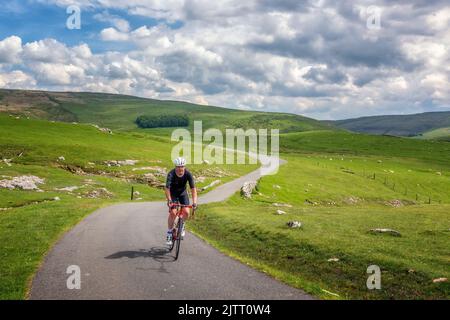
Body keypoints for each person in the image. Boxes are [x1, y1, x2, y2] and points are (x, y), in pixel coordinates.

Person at [165, 157, 198, 245]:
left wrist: (195, 202)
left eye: (182, 166)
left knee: (187, 212)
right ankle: (169, 233)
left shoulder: (188, 174)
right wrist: (169, 200)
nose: (180, 168)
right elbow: (167, 188)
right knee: (173, 212)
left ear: (184, 167)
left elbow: (193, 189)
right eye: (178, 167)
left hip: (183, 193)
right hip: (173, 194)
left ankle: (182, 224)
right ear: (175, 167)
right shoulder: (171, 174)